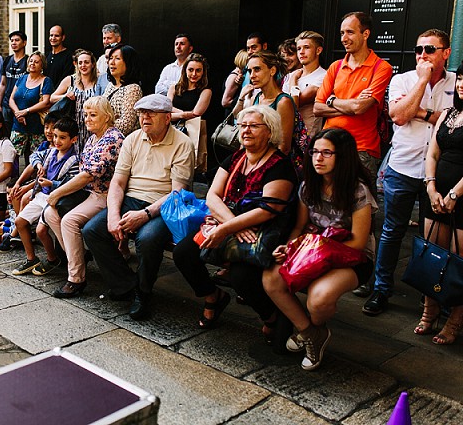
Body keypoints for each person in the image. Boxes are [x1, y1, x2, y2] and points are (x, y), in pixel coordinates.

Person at [173, 105, 296, 336]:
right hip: (232, 226)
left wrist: (226, 229)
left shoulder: (280, 165)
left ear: (270, 131)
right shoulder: (236, 158)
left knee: (241, 276)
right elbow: (212, 196)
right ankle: (213, 296)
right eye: (242, 126)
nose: (246, 131)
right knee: (184, 253)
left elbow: (268, 209)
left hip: (262, 231)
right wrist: (232, 227)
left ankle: (271, 317)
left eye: (253, 126)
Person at [263, 128, 376, 370]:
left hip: (351, 258)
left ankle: (309, 332)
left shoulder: (358, 191)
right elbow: (300, 227)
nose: (318, 158)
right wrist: (289, 247)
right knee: (271, 278)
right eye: (314, 152)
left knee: (319, 298)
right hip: (312, 251)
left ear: (342, 157)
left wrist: (312, 248)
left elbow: (357, 242)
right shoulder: (308, 185)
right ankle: (312, 333)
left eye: (327, 153)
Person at [364, 29, 455, 316]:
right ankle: (381, 289)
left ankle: (430, 294)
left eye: (430, 49)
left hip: (439, 174)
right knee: (392, 231)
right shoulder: (403, 79)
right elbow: (399, 116)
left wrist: (423, 113)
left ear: (446, 53)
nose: (423, 55)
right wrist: (423, 80)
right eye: (418, 50)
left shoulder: (458, 82)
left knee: (435, 237)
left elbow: (458, 124)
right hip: (402, 167)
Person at [83, 94, 195, 319]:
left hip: (164, 203)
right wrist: (113, 215)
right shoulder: (133, 139)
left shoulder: (183, 143)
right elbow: (118, 182)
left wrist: (145, 214)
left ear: (167, 118)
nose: (145, 118)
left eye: (151, 114)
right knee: (92, 230)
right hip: (132, 198)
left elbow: (177, 192)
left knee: (147, 239)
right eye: (142, 113)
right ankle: (127, 285)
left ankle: (143, 293)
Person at [43, 97, 125, 296]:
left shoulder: (112, 138)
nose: (87, 119)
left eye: (93, 115)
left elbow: (88, 174)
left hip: (106, 195)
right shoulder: (92, 137)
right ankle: (78, 256)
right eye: (85, 114)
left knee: (69, 221)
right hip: (89, 192)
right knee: (51, 214)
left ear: (107, 116)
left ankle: (76, 279)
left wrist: (56, 192)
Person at [314, 11, 393, 184]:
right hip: (329, 145)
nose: (344, 38)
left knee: (359, 204)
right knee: (328, 204)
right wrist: (351, 106)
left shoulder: (381, 67)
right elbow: (317, 108)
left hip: (361, 149)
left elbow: (360, 108)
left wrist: (332, 100)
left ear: (365, 34)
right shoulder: (336, 67)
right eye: (342, 33)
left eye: (350, 32)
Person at [417, 61, 463, 345]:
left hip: (461, 196)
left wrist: (455, 195)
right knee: (433, 257)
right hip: (436, 193)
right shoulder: (448, 113)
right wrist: (432, 187)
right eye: (461, 79)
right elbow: (432, 154)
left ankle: (454, 321)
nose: (462, 85)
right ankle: (428, 311)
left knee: (459, 263)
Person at [12, 116, 80, 276]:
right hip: (42, 196)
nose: (57, 141)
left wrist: (51, 184)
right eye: (56, 136)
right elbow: (34, 156)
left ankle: (52, 258)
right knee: (20, 222)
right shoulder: (51, 152)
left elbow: (70, 184)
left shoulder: (75, 160)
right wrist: (39, 165)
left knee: (41, 231)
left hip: (55, 199)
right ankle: (31, 258)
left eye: (62, 137)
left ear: (73, 139)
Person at [247, 50, 307, 172]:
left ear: (272, 71)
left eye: (257, 69)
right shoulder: (256, 98)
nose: (252, 75)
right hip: (258, 161)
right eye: (250, 71)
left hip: (277, 167)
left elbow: (284, 147)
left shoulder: (283, 102)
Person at [50, 49, 101, 147]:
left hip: (92, 127)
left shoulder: (99, 81)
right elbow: (52, 98)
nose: (83, 65)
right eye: (80, 63)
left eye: (86, 62)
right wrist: (65, 95)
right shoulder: (70, 80)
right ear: (76, 65)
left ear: (93, 64)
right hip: (72, 127)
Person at [9, 51, 53, 160]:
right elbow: (11, 99)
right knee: (12, 155)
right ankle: (14, 176)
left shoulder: (46, 81)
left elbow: (46, 102)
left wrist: (26, 111)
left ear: (42, 65)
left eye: (36, 62)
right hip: (18, 124)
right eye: (31, 61)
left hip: (36, 126)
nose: (32, 64)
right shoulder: (22, 78)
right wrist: (18, 114)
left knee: (36, 156)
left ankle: (34, 176)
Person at [282, 31, 326, 136]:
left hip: (308, 137)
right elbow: (281, 106)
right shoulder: (291, 75)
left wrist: (293, 81)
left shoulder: (323, 76)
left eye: (306, 47)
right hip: (286, 134)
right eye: (299, 48)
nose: (301, 52)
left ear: (318, 50)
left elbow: (291, 106)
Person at [103, 44, 142, 136]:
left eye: (117, 59)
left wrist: (102, 122)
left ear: (129, 63)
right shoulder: (110, 86)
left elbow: (126, 125)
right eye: (110, 58)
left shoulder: (133, 89)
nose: (111, 62)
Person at [0, 31, 29, 132]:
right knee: (6, 132)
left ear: (24, 43)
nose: (13, 43)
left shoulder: (28, 61)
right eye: (11, 41)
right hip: (6, 104)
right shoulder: (7, 60)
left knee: (21, 134)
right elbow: (3, 83)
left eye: (17, 40)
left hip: (21, 105)